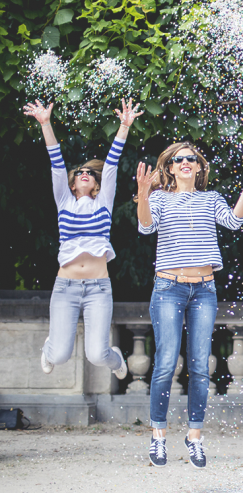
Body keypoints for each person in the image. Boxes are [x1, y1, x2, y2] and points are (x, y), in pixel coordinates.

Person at [136, 143, 243, 469]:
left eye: (190, 158)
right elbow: (145, 227)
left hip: (204, 289)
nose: (184, 162)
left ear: (198, 167)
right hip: (169, 287)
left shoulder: (210, 199)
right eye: (178, 159)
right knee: (166, 362)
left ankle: (194, 436)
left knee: (199, 365)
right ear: (169, 167)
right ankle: (158, 434)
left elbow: (234, 222)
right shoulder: (160, 199)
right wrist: (142, 192)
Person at [24, 98, 142, 380]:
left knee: (98, 354)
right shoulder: (64, 201)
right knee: (60, 355)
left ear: (97, 184)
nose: (85, 173)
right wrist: (45, 123)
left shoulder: (103, 203)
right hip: (65, 287)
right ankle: (48, 348)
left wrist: (124, 127)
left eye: (90, 173)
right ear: (72, 183)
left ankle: (116, 360)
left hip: (99, 289)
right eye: (80, 173)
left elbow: (112, 163)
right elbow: (55, 160)